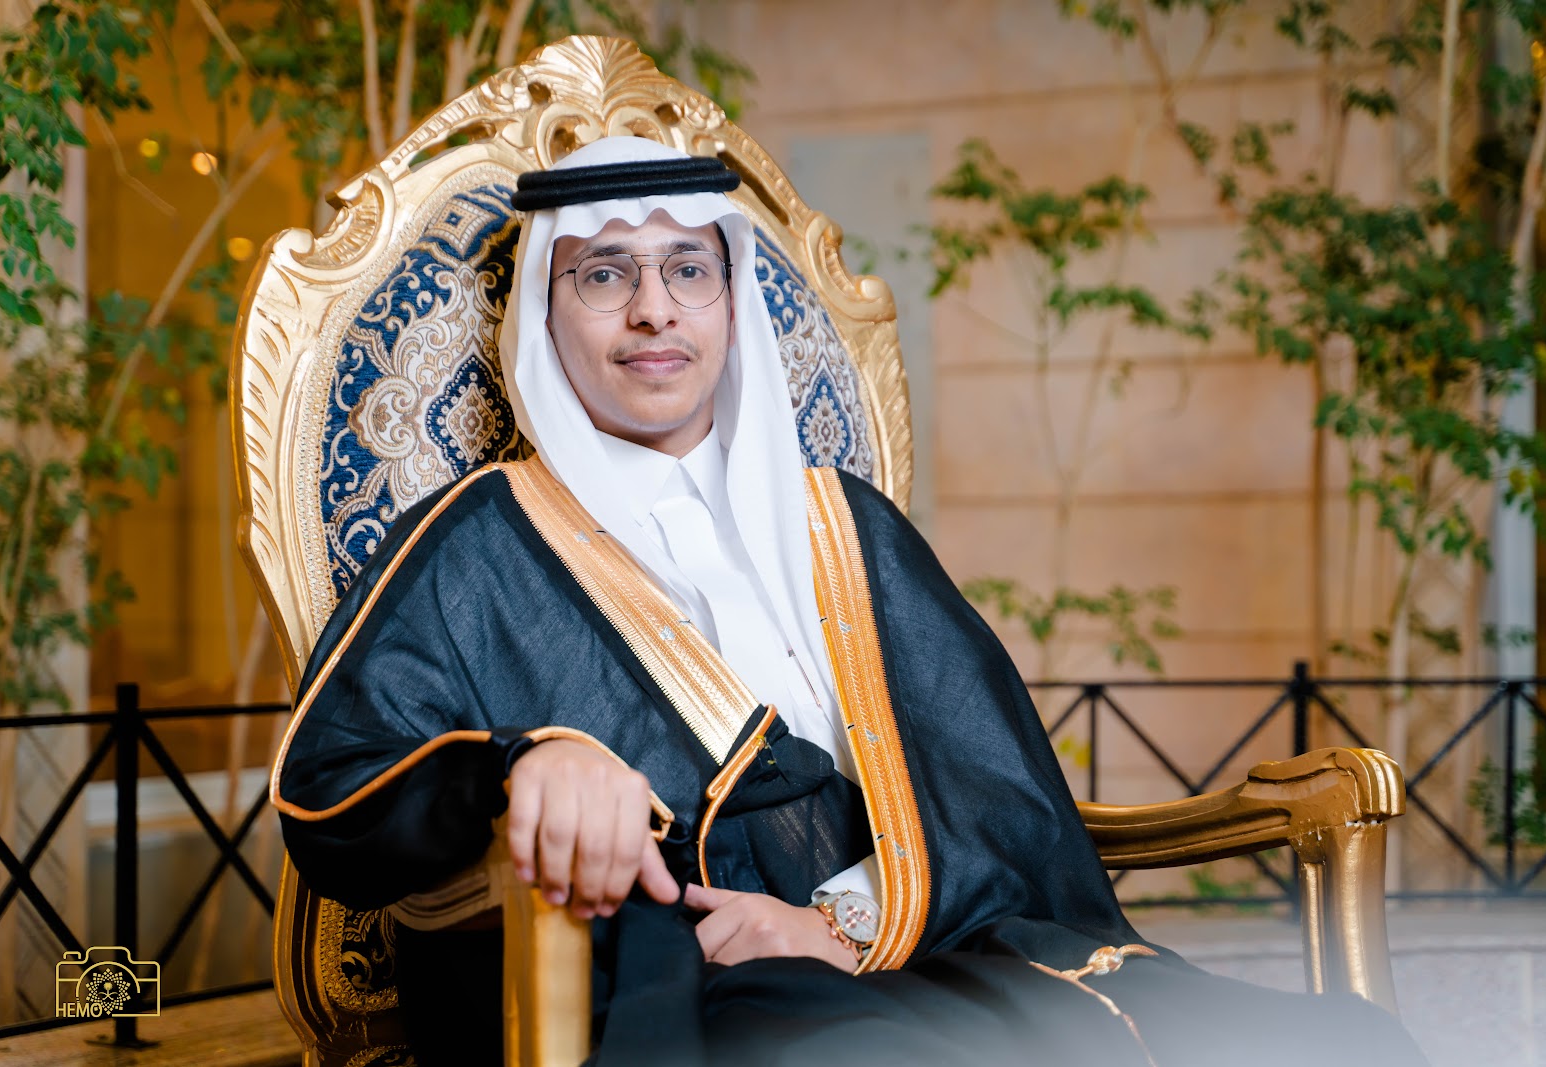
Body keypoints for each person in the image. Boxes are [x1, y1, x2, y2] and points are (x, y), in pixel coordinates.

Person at [271, 136, 1427, 1067]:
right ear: (545, 311)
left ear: (730, 301)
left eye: (687, 269)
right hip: (692, 985)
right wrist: (518, 763)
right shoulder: (477, 544)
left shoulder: (843, 522)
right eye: (605, 274)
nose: (654, 311)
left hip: (936, 942)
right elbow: (330, 793)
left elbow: (997, 791)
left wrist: (847, 925)